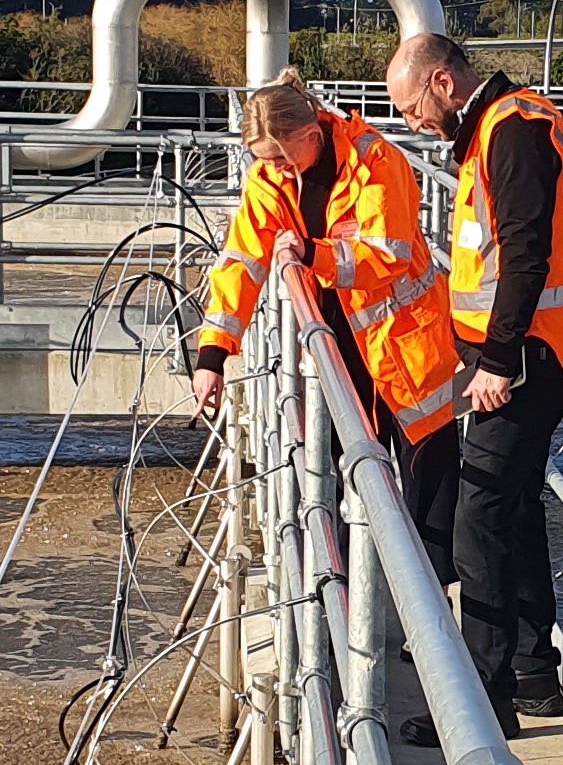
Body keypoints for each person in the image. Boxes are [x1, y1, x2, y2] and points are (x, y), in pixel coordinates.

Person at [384, 30, 563, 733]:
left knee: (479, 515)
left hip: (530, 357)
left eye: (413, 106)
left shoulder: (513, 130)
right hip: (522, 352)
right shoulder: (493, 130)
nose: (412, 122)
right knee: (513, 508)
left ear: (443, 82)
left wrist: (499, 361)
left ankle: (483, 697)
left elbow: (527, 254)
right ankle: (535, 673)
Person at [187, 71, 459, 583]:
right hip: (336, 347)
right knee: (330, 469)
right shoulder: (268, 180)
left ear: (311, 135)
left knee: (431, 486)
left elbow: (388, 255)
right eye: (264, 161)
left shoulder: (376, 160)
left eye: (280, 158)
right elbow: (243, 261)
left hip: (407, 346)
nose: (274, 170)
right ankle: (339, 597)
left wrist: (311, 251)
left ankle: (437, 611)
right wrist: (213, 354)